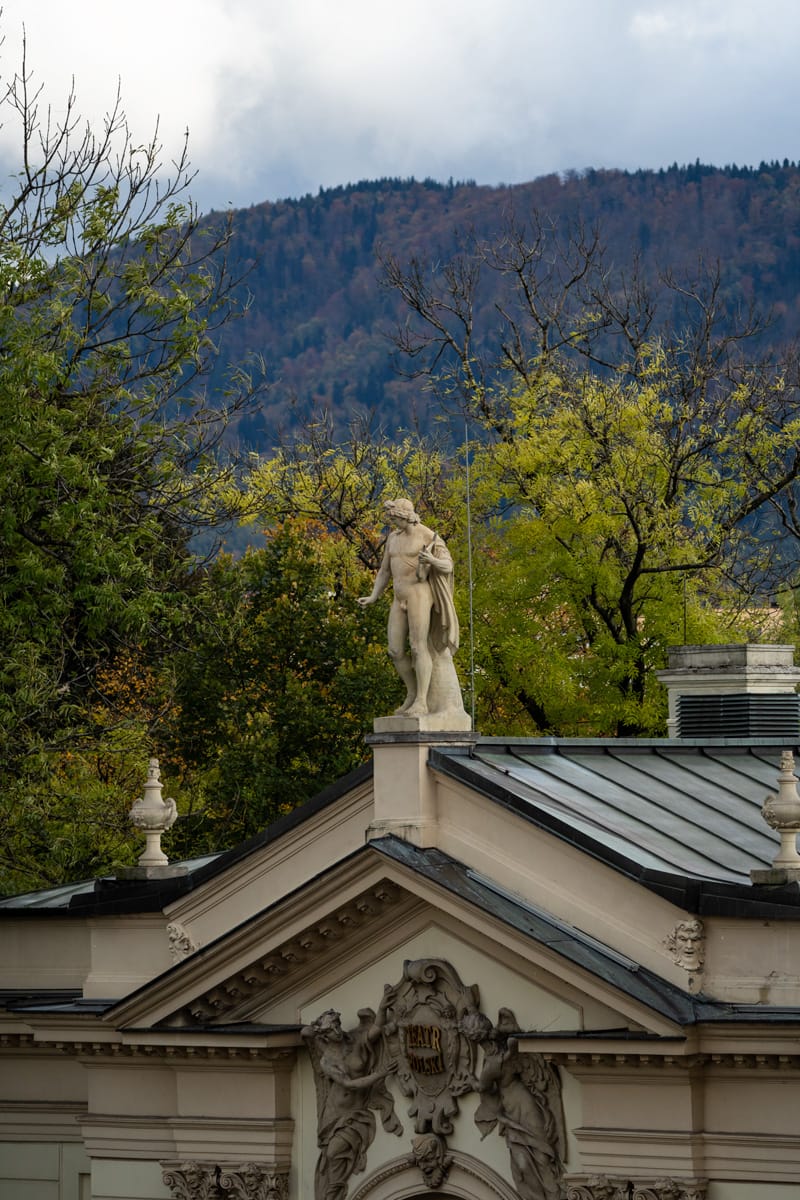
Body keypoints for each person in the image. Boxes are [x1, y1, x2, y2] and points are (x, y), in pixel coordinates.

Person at [358, 498, 459, 717]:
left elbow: (448, 566)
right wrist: (374, 596)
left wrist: (431, 559)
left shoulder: (427, 535)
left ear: (405, 515)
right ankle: (412, 694)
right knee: (394, 650)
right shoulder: (393, 538)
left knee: (417, 646)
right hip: (399, 597)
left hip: (419, 594)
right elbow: (384, 571)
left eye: (394, 517)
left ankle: (422, 702)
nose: (392, 521)